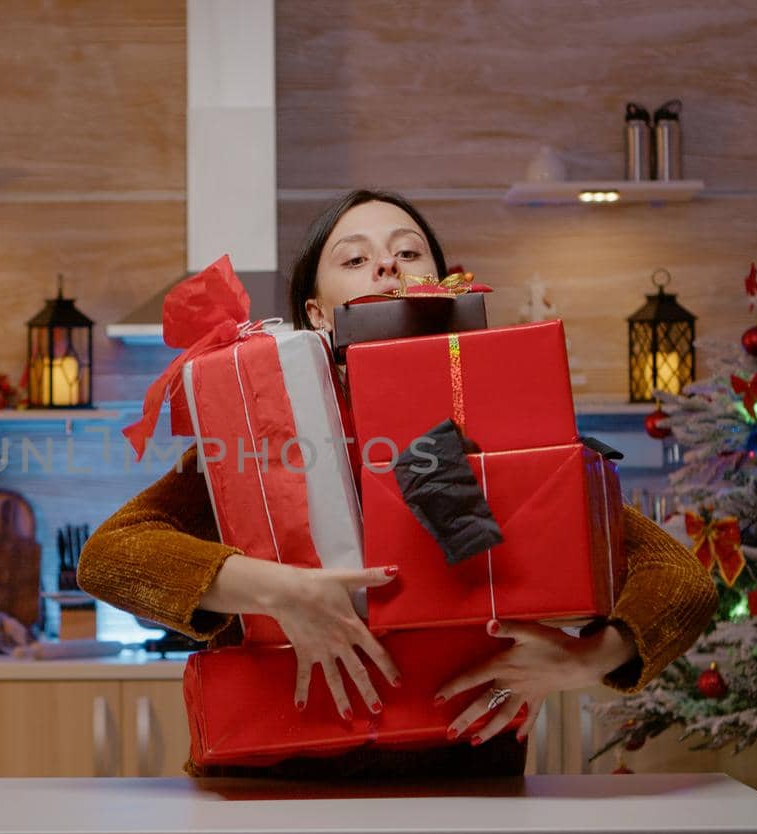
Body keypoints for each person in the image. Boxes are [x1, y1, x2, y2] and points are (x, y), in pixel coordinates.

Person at [78, 189, 718, 777]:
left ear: (445, 288)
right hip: (274, 786)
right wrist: (282, 592)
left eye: (409, 253)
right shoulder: (264, 432)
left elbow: (681, 580)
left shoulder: (500, 423)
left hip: (461, 788)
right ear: (316, 311)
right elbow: (110, 557)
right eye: (355, 259)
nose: (387, 266)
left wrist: (586, 659)